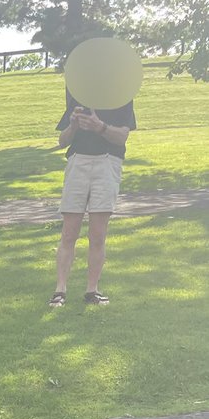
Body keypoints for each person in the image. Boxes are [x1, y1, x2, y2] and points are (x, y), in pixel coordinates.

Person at [49, 89, 136, 308]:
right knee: (69, 232)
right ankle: (60, 290)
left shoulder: (121, 96)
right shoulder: (81, 96)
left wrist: (101, 127)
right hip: (78, 162)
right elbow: (62, 141)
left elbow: (122, 136)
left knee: (97, 235)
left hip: (108, 163)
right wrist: (74, 126)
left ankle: (92, 290)